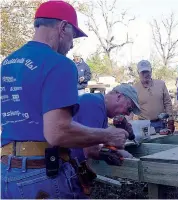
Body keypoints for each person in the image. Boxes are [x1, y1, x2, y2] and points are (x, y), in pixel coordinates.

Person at [1, 1, 128, 199]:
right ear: (62, 28)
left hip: (7, 173)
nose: (72, 44)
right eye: (73, 36)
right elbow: (57, 132)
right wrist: (108, 136)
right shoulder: (60, 64)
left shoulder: (8, 62)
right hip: (41, 175)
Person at [71, 83, 141, 162]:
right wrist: (121, 155)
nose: (128, 114)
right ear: (119, 97)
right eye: (129, 109)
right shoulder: (94, 103)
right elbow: (90, 150)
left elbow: (99, 144)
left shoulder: (102, 113)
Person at [134, 60, 175, 133]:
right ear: (138, 73)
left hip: (161, 123)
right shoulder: (135, 88)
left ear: (151, 71)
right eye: (143, 72)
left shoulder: (161, 84)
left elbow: (167, 103)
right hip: (144, 125)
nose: (145, 74)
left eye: (147, 71)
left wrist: (171, 120)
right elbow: (131, 109)